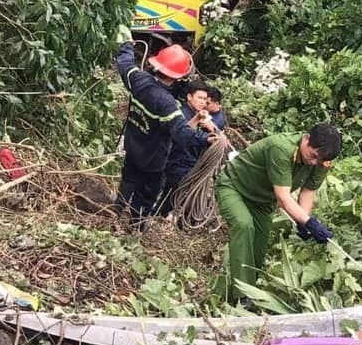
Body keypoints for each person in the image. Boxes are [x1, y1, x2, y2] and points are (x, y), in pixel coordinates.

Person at [215, 123, 342, 302]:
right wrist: (309, 222)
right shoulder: (281, 148)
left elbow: (309, 189)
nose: (314, 163)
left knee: (258, 246)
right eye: (313, 156)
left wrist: (302, 220)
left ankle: (250, 288)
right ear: (306, 139)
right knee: (243, 225)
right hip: (234, 186)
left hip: (262, 200)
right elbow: (283, 197)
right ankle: (241, 297)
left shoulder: (323, 160)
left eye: (319, 161)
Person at [115, 40, 220, 231]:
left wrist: (127, 47)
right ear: (178, 75)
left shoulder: (138, 79)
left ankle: (115, 211)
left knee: (128, 180)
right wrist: (205, 138)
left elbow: (124, 64)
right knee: (146, 194)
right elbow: (182, 133)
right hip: (153, 159)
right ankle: (136, 226)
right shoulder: (166, 103)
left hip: (133, 147)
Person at [159, 79, 214, 216]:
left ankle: (165, 216)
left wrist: (209, 126)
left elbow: (215, 134)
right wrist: (196, 119)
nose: (202, 102)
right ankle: (157, 216)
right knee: (170, 196)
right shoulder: (182, 113)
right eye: (199, 98)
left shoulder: (202, 115)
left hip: (190, 163)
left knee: (177, 197)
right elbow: (182, 133)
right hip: (177, 162)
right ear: (189, 97)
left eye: (205, 100)